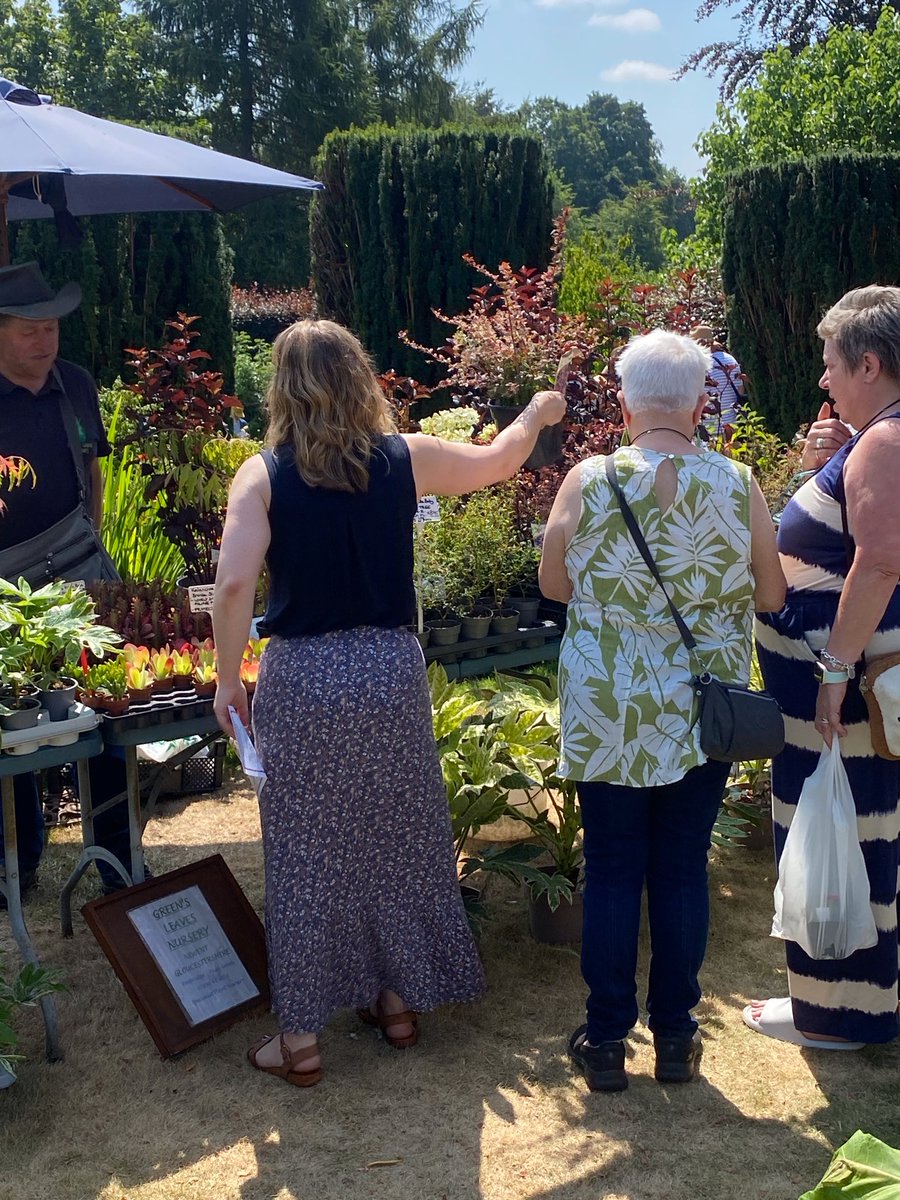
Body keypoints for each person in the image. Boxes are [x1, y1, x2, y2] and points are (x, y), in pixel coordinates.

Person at [213, 318, 566, 1087]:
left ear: (281, 387)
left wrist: (227, 676)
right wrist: (538, 412)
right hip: (389, 670)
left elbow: (236, 583)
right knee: (399, 837)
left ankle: (301, 1040)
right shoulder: (407, 456)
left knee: (307, 854)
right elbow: (502, 459)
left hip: (302, 676)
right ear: (361, 377)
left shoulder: (261, 474)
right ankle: (397, 1004)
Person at [539, 328, 785, 1092]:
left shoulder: (587, 477)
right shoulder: (738, 482)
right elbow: (772, 596)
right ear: (700, 400)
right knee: (681, 870)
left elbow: (554, 584)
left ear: (625, 400)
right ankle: (677, 1036)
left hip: (610, 701)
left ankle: (607, 1040)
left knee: (612, 871)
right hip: (700, 707)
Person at [747, 285, 900, 1050]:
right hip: (856, 686)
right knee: (860, 832)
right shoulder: (873, 437)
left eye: (830, 362)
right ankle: (840, 1001)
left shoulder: (886, 441)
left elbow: (878, 564)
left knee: (851, 835)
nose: (822, 378)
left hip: (847, 690)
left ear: (869, 363)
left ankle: (842, 1016)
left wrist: (834, 667)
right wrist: (823, 465)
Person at [0, 260, 131, 901]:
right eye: (29, 329)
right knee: (14, 730)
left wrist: (93, 549)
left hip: (81, 566)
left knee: (106, 720)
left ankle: (117, 862)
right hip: (4, 591)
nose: (44, 340)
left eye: (50, 327)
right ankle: (17, 867)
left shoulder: (75, 384)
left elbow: (94, 474)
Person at [689, 324, 746, 432]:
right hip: (732, 427)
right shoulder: (730, 360)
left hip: (706, 429)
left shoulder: (695, 365)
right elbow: (740, 391)